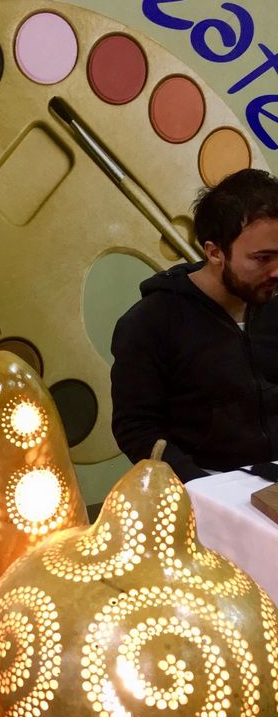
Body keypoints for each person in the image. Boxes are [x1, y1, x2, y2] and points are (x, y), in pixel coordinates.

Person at [111, 167, 278, 483]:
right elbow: (136, 428)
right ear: (215, 252)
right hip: (209, 489)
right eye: (262, 258)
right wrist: (199, 485)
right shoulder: (151, 322)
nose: (276, 271)